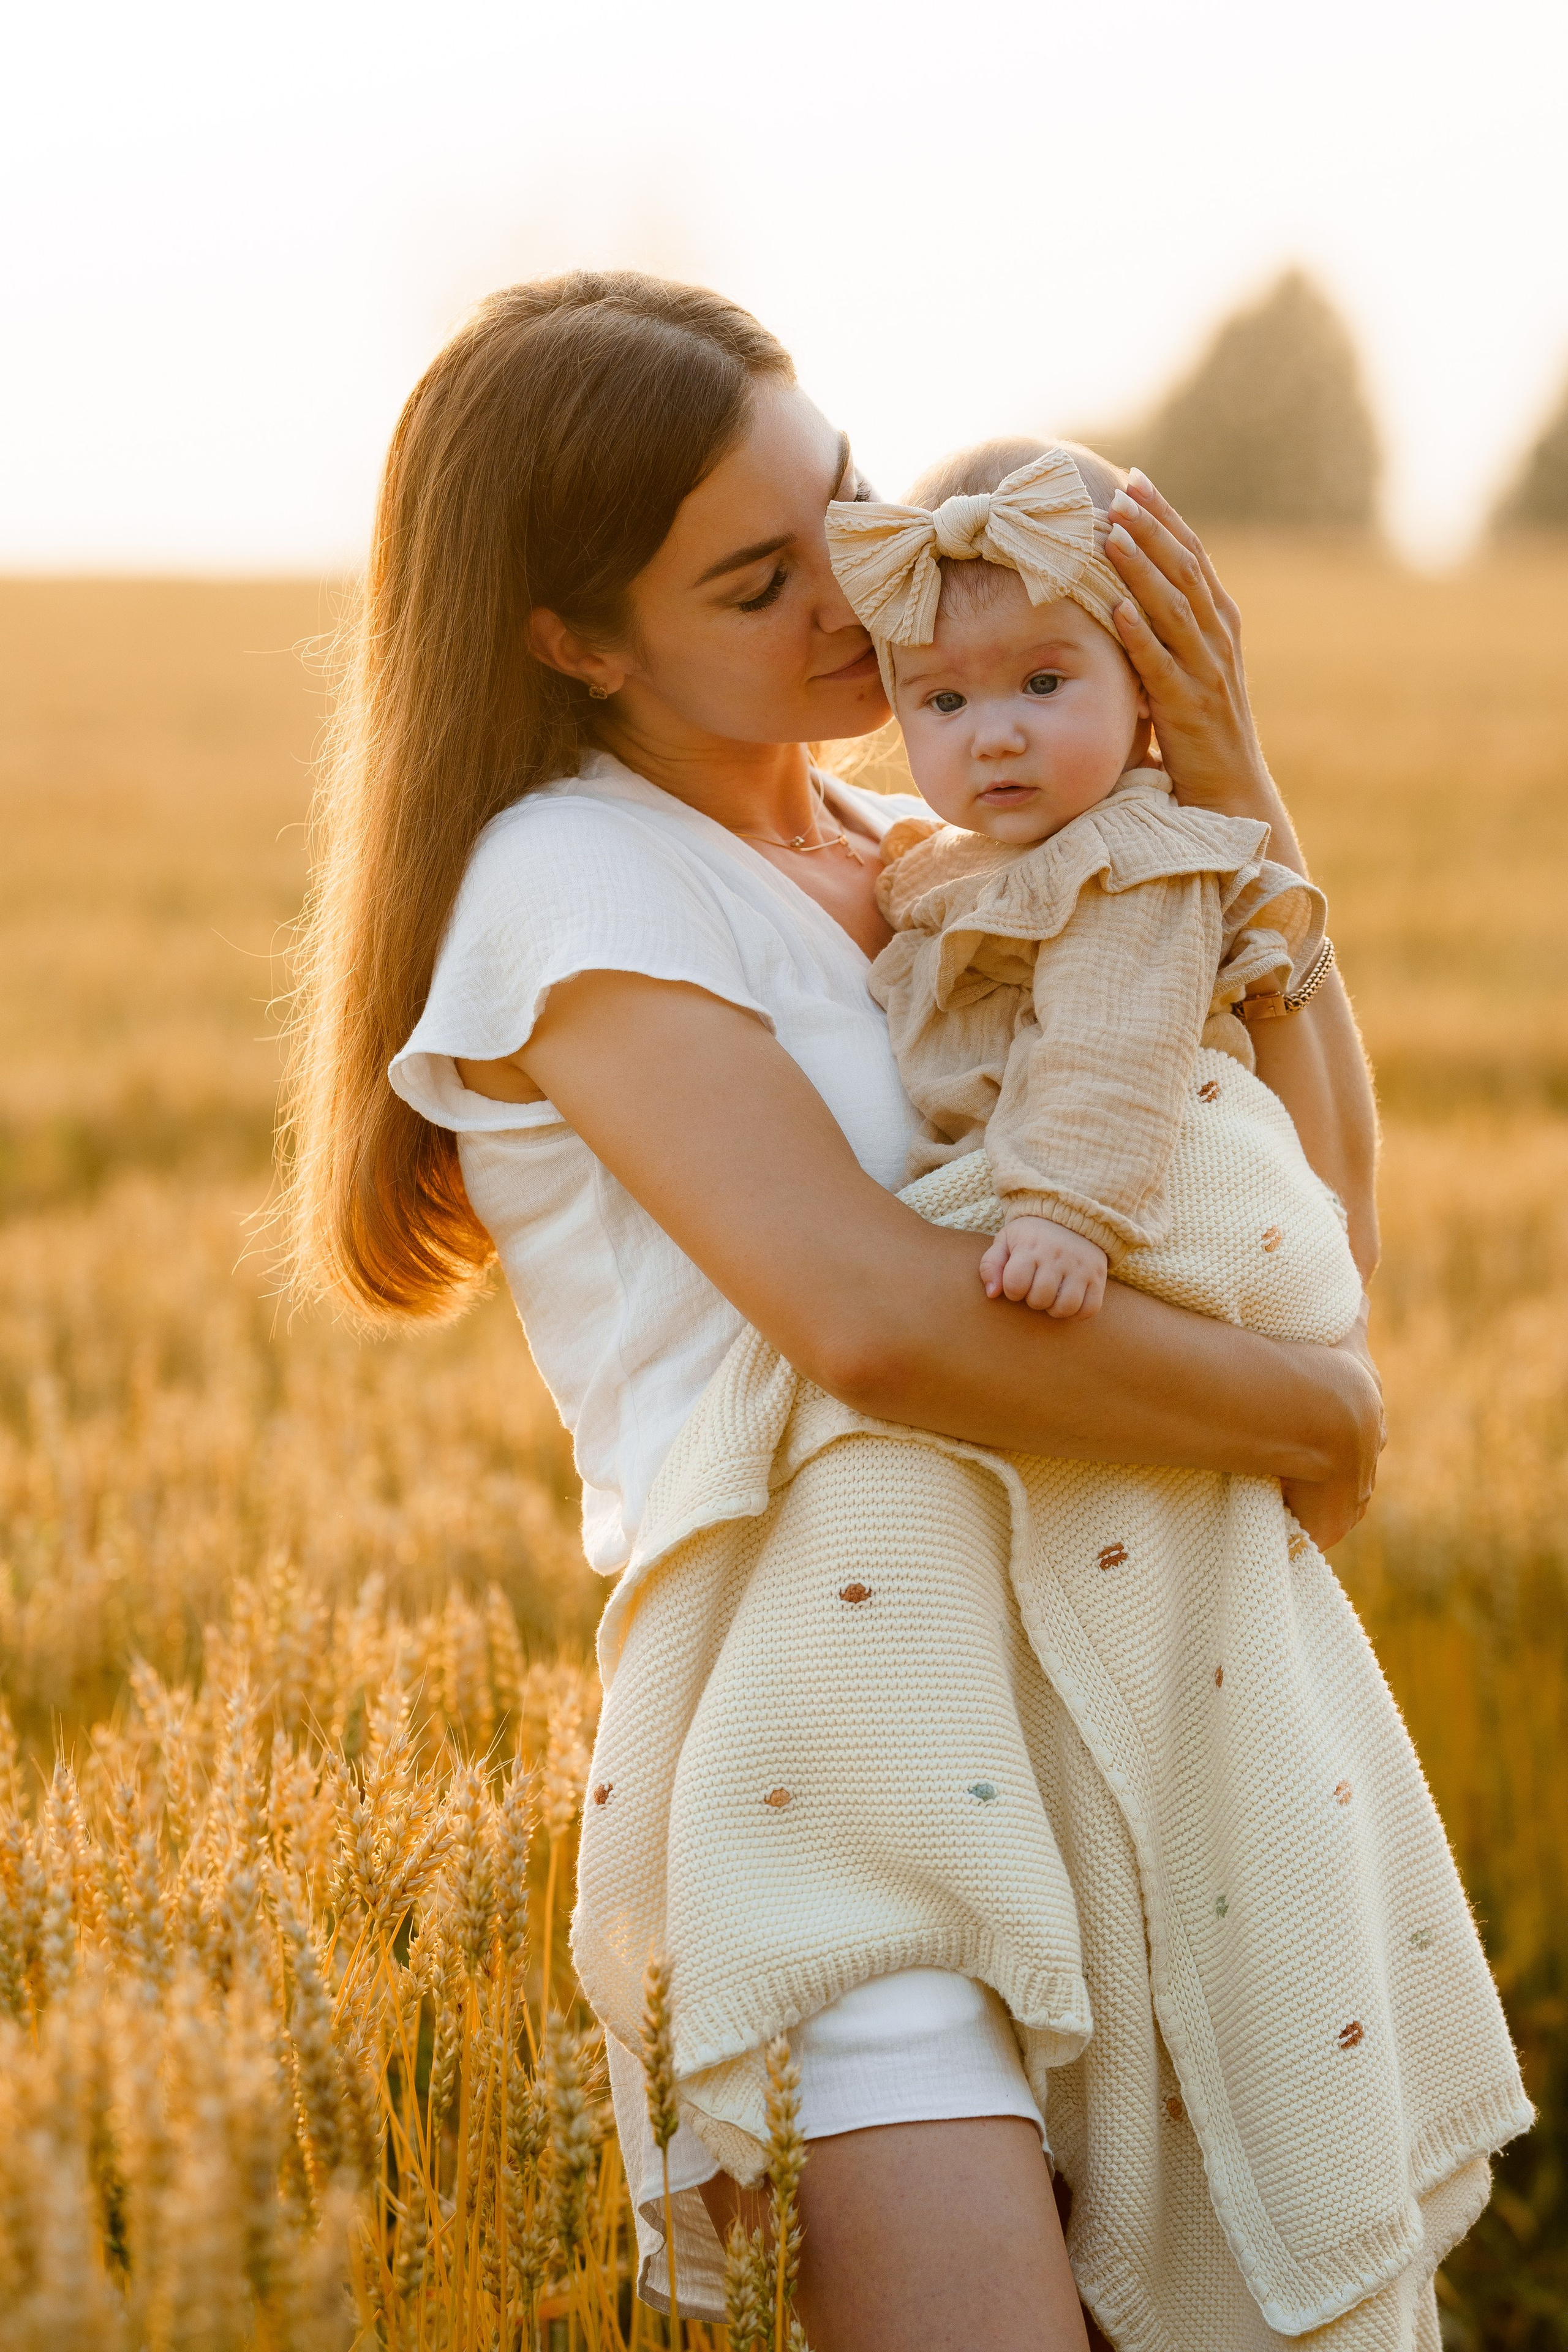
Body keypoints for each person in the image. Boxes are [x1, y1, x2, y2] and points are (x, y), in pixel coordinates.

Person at [284, 271, 1395, 2350]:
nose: (853, 602)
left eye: (852, 507)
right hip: (846, 1770)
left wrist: (1233, 784)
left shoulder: (935, 840)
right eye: (755, 577)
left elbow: (1306, 1209)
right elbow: (875, 1320)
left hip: (1117, 1721)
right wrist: (1312, 1425)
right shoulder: (572, 884)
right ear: (572, 637)